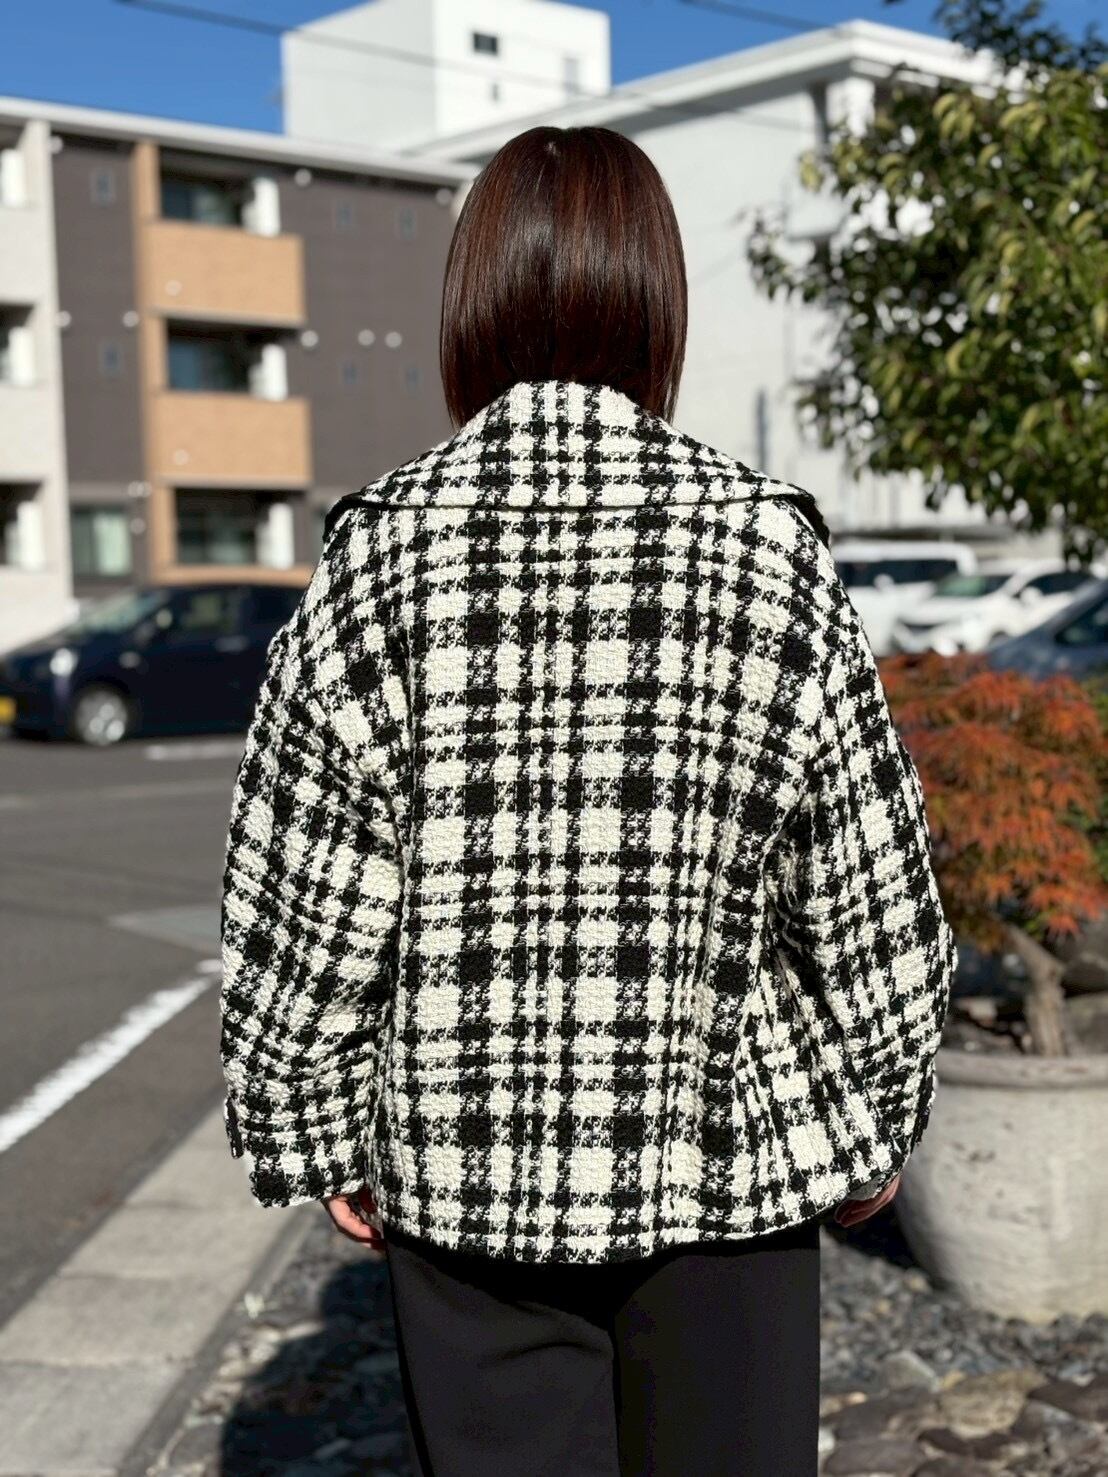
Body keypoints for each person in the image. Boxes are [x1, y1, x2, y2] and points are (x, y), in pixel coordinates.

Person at [219, 125, 958, 1477]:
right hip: (727, 1172)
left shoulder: (378, 558)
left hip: (466, 1176)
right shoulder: (765, 547)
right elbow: (868, 892)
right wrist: (880, 1106)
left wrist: (309, 1120)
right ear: (656, 305)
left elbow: (301, 901)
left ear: (471, 308)